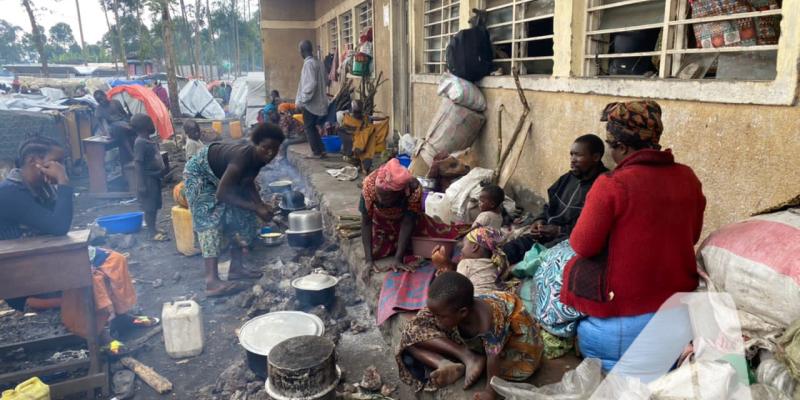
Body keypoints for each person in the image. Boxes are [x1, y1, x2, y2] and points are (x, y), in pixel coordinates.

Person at [562, 100, 706, 377]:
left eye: (610, 145)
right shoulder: (688, 177)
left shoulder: (613, 184)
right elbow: (693, 235)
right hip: (678, 319)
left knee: (560, 265)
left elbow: (582, 244)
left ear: (623, 148)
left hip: (620, 329)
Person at [0, 137, 157, 353]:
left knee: (115, 260)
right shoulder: (10, 192)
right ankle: (100, 334)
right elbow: (58, 226)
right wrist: (63, 183)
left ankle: (121, 317)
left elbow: (57, 223)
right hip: (22, 271)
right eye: (57, 162)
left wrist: (57, 186)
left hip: (46, 257)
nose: (61, 169)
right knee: (89, 275)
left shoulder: (39, 187)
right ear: (33, 160)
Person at [397, 272, 542, 399]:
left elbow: (494, 358)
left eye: (439, 316)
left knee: (498, 361)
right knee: (409, 338)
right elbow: (424, 321)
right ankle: (456, 360)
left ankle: (473, 358)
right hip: (473, 335)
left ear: (463, 312)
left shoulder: (489, 325)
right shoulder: (453, 309)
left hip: (515, 349)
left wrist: (489, 392)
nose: (435, 319)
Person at [183, 123, 285, 297]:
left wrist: (259, 205)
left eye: (274, 150)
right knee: (210, 220)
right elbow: (222, 194)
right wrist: (255, 206)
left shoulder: (258, 159)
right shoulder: (242, 157)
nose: (269, 153)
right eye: (265, 148)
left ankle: (236, 269)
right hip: (199, 175)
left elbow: (247, 181)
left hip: (219, 177)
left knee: (242, 216)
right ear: (255, 145)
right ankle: (212, 282)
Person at [501, 134, 608, 264]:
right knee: (506, 252)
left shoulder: (603, 186)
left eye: (578, 155)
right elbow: (549, 206)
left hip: (568, 242)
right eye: (571, 154)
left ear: (595, 157)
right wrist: (539, 220)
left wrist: (559, 231)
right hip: (545, 234)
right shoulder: (567, 179)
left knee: (536, 263)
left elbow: (593, 230)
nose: (572, 160)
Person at [360, 159, 467, 273]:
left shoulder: (414, 189)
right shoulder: (369, 185)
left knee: (435, 240)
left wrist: (398, 259)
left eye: (386, 197)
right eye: (379, 195)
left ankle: (402, 247)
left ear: (400, 192)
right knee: (378, 250)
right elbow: (366, 222)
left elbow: (408, 222)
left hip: (408, 220)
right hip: (382, 222)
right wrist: (369, 261)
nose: (381, 199)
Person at [431, 227, 509, 293]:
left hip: (475, 299)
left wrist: (442, 275)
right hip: (494, 298)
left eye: (464, 246)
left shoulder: (466, 263)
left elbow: (454, 286)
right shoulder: (495, 263)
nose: (461, 250)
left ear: (475, 247)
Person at [132, 114, 167, 241]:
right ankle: (151, 232)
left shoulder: (148, 140)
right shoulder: (140, 143)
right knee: (149, 207)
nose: (153, 125)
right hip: (147, 180)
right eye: (150, 122)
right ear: (144, 127)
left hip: (154, 178)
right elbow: (138, 163)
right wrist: (141, 184)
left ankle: (154, 227)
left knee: (155, 204)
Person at [295, 40, 329, 158]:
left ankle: (316, 152)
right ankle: (321, 150)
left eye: (299, 50)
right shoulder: (319, 62)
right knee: (313, 127)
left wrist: (303, 100)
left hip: (310, 103)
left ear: (302, 51)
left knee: (309, 127)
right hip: (319, 101)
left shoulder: (308, 64)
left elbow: (311, 84)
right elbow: (326, 80)